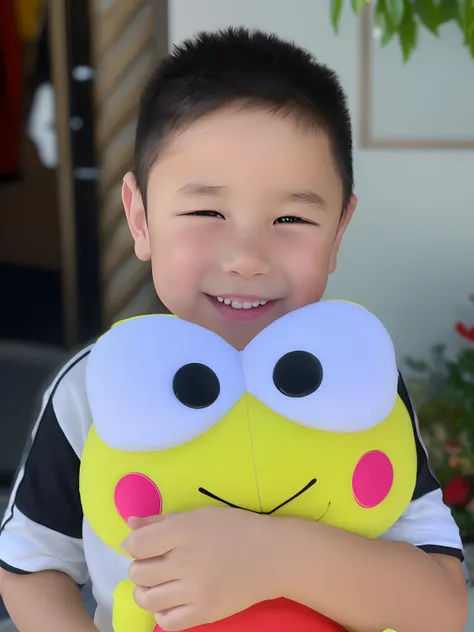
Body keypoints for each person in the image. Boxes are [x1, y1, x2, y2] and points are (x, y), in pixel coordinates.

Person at [0, 27, 468, 632]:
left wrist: (274, 556)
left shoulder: (360, 385)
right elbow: (32, 565)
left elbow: (443, 603)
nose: (247, 256)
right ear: (140, 216)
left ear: (338, 232)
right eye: (206, 212)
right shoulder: (96, 386)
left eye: (291, 217)